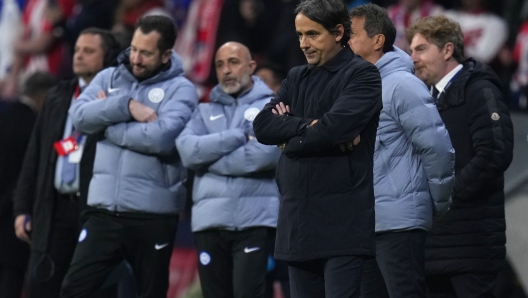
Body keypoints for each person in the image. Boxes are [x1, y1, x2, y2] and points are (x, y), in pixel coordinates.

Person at [61, 15, 198, 298]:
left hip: (153, 215)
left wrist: (106, 125)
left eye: (146, 53)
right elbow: (78, 116)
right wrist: (125, 105)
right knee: (73, 289)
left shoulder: (182, 89)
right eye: (134, 48)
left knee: (148, 293)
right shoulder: (108, 77)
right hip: (103, 212)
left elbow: (162, 138)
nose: (135, 58)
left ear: (165, 55)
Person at [252, 0, 383, 297]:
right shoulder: (297, 77)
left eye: (312, 34)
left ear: (338, 32)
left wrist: (287, 138)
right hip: (297, 223)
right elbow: (262, 126)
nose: (303, 44)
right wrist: (308, 127)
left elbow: (334, 128)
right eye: (299, 35)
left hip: (342, 224)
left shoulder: (362, 75)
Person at [348, 4, 455, 298]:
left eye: (353, 35)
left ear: (377, 40)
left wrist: (438, 203)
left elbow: (436, 148)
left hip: (400, 221)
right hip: (366, 222)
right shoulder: (357, 88)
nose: (346, 42)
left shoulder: (402, 84)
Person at [407, 15, 514, 298]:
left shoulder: (480, 89)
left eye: (420, 49)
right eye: (411, 50)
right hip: (435, 244)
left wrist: (447, 193)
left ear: (447, 50)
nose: (412, 57)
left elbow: (494, 152)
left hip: (472, 243)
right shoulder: (426, 97)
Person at [12, 28, 120, 298]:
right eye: (78, 49)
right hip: (55, 208)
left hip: (93, 210)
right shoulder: (58, 96)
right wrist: (23, 208)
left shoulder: (117, 99)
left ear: (106, 57)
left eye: (89, 51)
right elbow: (36, 154)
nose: (79, 55)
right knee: (43, 286)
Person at [176, 41, 280, 298]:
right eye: (220, 64)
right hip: (209, 223)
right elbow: (188, 152)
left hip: (254, 222)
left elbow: (265, 155)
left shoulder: (272, 107)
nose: (226, 70)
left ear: (251, 66)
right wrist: (237, 137)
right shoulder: (203, 110)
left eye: (233, 62)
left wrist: (208, 156)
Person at [0, 72, 56, 298]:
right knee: (10, 283)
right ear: (45, 98)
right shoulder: (39, 128)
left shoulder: (3, 116)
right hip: (15, 224)